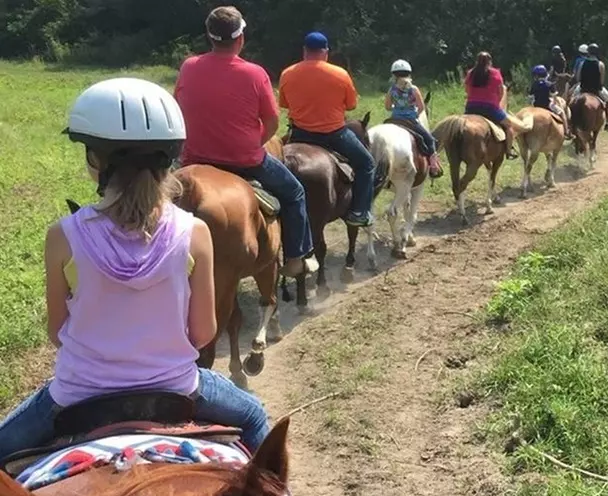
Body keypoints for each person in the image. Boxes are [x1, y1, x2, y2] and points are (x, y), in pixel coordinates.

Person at [0, 77, 270, 460]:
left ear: (95, 160)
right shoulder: (194, 233)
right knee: (255, 417)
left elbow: (58, 332)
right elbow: (204, 332)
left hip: (76, 394)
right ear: (169, 158)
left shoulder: (63, 236)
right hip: (177, 388)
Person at [174, 6, 317, 279]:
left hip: (193, 158)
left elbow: (177, 105)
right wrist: (255, 144)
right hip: (245, 160)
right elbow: (273, 122)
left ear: (210, 36)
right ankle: (297, 257)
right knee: (295, 192)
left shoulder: (189, 67)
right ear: (241, 38)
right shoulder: (255, 73)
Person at [278, 32, 376, 227]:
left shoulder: (287, 73)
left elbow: (284, 103)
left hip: (298, 134)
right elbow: (351, 105)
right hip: (334, 134)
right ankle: (359, 212)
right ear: (326, 52)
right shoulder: (340, 74)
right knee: (367, 164)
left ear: (305, 51)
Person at [384, 59, 442, 178]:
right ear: (409, 73)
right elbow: (421, 107)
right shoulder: (414, 89)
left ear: (394, 75)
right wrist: (413, 112)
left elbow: (388, 107)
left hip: (394, 119)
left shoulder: (392, 89)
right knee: (430, 140)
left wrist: (397, 107)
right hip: (410, 121)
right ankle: (433, 166)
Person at [464, 51, 519, 159]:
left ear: (477, 61)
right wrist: (496, 102)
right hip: (489, 107)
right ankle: (509, 151)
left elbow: (467, 90)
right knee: (508, 126)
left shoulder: (471, 73)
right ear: (489, 62)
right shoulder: (495, 73)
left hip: (471, 107)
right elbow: (500, 92)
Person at [575, 43, 608, 132]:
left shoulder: (582, 63)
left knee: (572, 99)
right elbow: (601, 81)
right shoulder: (601, 64)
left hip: (583, 88)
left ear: (588, 52)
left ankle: (569, 121)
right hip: (596, 89)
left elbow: (578, 78)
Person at [529, 64, 570, 137]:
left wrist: (532, 105)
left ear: (537, 76)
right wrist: (554, 103)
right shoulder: (549, 84)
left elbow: (531, 98)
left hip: (536, 106)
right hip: (547, 105)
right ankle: (566, 131)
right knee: (562, 113)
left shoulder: (534, 85)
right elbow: (554, 96)